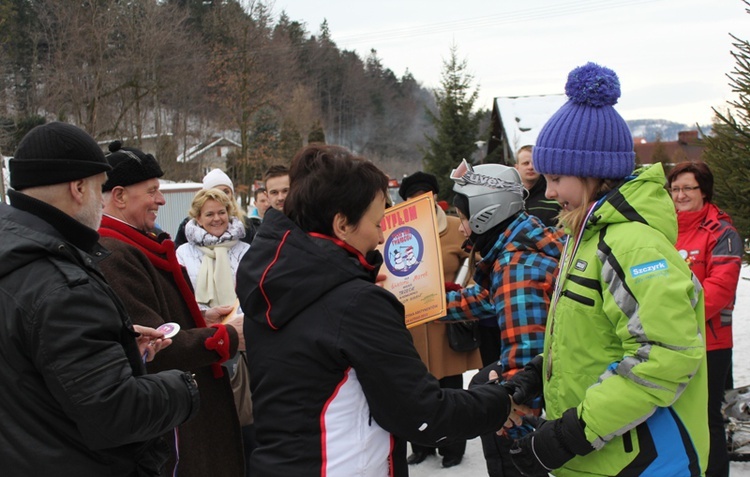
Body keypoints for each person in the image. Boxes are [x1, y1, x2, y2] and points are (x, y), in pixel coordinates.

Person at [236, 144, 516, 477]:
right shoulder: (355, 303)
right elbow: (422, 413)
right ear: (342, 224)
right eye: (378, 223)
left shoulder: (275, 280)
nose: (382, 235)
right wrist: (504, 401)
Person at [505, 62, 709, 476]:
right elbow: (593, 339)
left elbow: (666, 356)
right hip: (601, 458)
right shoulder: (590, 237)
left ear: (592, 172)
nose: (549, 191)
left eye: (557, 177)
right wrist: (537, 376)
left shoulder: (632, 243)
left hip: (642, 462)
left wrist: (570, 435)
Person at [0, 122, 199, 476]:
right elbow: (115, 412)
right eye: (99, 189)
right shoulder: (62, 286)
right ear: (78, 188)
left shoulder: (15, 254)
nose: (101, 200)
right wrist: (185, 387)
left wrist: (116, 343)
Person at [97, 141, 245, 477]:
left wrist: (199, 318)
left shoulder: (132, 244)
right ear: (119, 196)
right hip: (173, 414)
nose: (161, 200)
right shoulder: (115, 253)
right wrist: (226, 338)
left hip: (182, 403)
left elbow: (161, 319)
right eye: (152, 191)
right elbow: (154, 345)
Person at [443, 161, 564, 477]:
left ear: (486, 214)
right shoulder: (524, 240)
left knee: (488, 388)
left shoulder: (516, 268)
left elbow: (525, 359)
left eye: (465, 218)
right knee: (485, 380)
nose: (461, 227)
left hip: (525, 430)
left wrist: (513, 430)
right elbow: (488, 297)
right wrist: (428, 305)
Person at [397, 171, 483, 469]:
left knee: (450, 389)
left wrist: (462, 289)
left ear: (435, 196)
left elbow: (475, 263)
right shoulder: (397, 232)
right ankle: (420, 445)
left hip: (447, 321)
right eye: (413, 197)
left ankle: (453, 446)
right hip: (411, 323)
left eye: (426, 193)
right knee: (415, 387)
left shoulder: (453, 227)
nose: (421, 200)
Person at [667, 161, 742, 477]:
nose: (680, 195)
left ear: (704, 191)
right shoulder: (664, 229)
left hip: (709, 344)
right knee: (672, 419)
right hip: (666, 340)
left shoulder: (723, 232)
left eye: (688, 188)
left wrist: (674, 316)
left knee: (707, 419)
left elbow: (720, 289)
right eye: (675, 189)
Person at [175, 168, 257, 246]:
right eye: (216, 192)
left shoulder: (245, 224)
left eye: (226, 191)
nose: (223, 196)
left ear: (232, 194)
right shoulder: (189, 227)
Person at [514, 144, 561, 227]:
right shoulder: (509, 196)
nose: (530, 167)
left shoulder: (553, 194)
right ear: (517, 168)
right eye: (525, 163)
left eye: (534, 163)